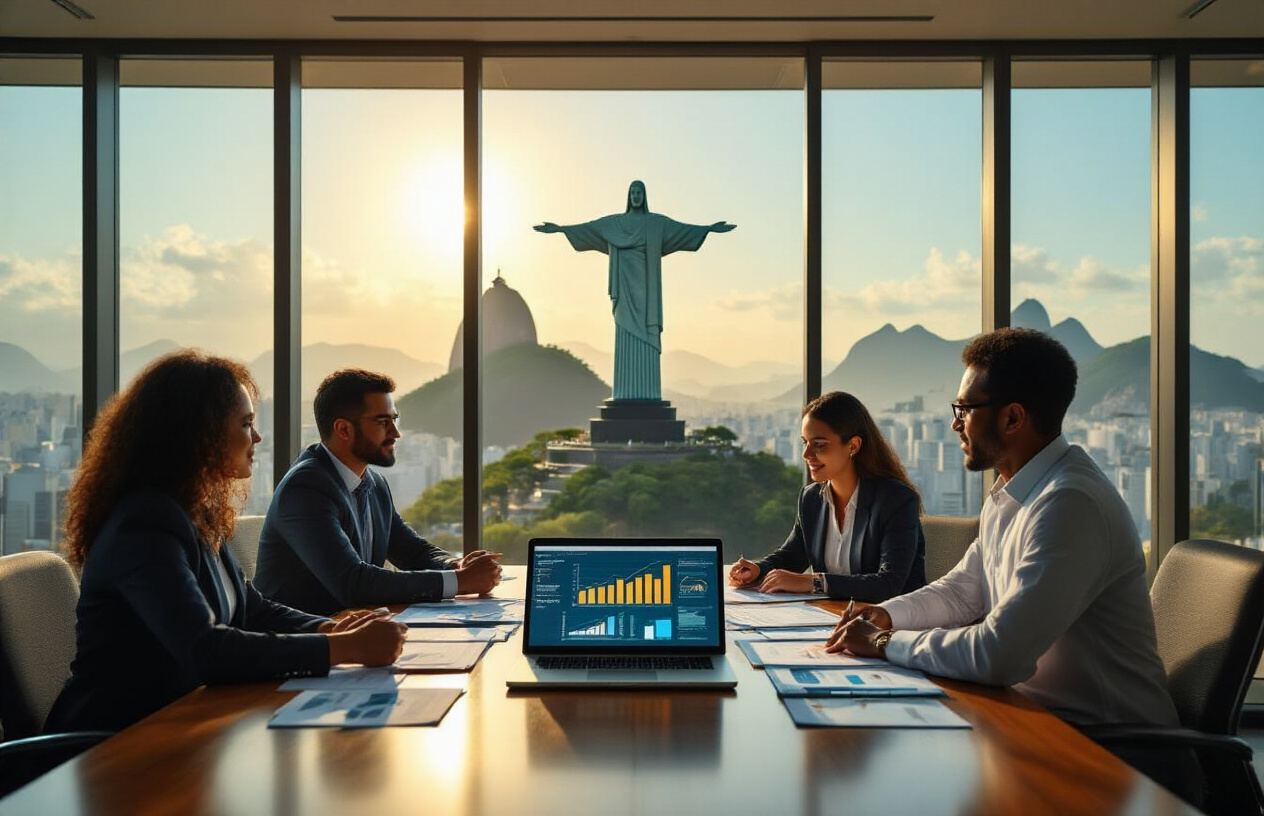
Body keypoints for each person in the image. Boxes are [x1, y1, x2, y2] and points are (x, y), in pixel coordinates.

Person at [826, 328, 1179, 729]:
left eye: (965, 410)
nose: (955, 425)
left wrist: (884, 643)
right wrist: (887, 615)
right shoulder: (1012, 491)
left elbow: (999, 653)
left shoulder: (1070, 504)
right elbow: (962, 593)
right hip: (1034, 721)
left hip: (1114, 749)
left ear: (1012, 417)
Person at [46, 351, 406, 733]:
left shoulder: (192, 512)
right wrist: (345, 650)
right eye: (246, 424)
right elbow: (205, 650)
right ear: (201, 434)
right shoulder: (145, 525)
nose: (257, 436)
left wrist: (330, 629)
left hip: (183, 726)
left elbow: (252, 607)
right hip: (111, 745)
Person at [255, 369, 501, 616]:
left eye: (395, 420)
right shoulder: (305, 489)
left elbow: (411, 550)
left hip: (354, 631)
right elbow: (353, 583)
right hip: (304, 643)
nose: (395, 433)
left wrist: (456, 565)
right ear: (343, 430)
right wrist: (459, 582)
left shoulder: (373, 482)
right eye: (383, 422)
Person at [535, 180, 735, 400]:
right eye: (633, 192)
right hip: (624, 287)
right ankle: (625, 393)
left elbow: (682, 230)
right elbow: (589, 229)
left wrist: (707, 229)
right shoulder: (614, 224)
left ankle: (648, 392)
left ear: (645, 196)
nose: (636, 196)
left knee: (647, 334)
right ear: (628, 196)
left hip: (647, 290)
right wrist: (560, 229)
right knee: (624, 331)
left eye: (640, 192)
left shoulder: (656, 223)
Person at [729, 391, 926, 601]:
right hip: (831, 618)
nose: (806, 454)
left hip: (893, 624)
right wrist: (758, 569)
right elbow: (793, 555)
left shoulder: (895, 500)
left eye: (819, 444)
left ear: (853, 446)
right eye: (805, 442)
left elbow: (888, 584)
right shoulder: (811, 498)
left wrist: (813, 582)